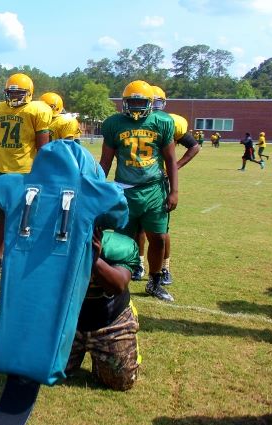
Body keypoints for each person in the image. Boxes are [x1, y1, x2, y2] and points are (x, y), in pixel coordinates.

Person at [99, 80, 177, 302]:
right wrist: (97, 188)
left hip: (154, 188)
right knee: (122, 241)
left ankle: (155, 281)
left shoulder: (162, 122)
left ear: (150, 103)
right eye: (131, 102)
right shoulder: (114, 124)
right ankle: (117, 282)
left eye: (139, 102)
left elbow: (170, 160)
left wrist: (174, 191)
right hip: (124, 189)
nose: (135, 106)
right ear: (124, 102)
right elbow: (105, 161)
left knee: (158, 237)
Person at [0, 74, 52, 273]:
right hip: (1, 171)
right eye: (11, 92)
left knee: (27, 218)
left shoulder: (37, 110)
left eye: (19, 93)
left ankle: (23, 261)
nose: (14, 96)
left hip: (26, 173)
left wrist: (43, 177)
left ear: (29, 93)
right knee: (0, 216)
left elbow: (43, 149)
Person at [129, 85, 201, 285]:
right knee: (138, 228)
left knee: (160, 230)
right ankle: (138, 264)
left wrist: (174, 168)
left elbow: (194, 146)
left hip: (158, 182)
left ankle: (164, 268)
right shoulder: (131, 122)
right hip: (136, 180)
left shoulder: (170, 122)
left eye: (157, 102)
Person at [66, 228, 141, 391]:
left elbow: (118, 285)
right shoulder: (55, 240)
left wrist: (95, 260)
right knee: (43, 369)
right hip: (67, 321)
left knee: (122, 380)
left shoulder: (118, 245)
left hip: (111, 322)